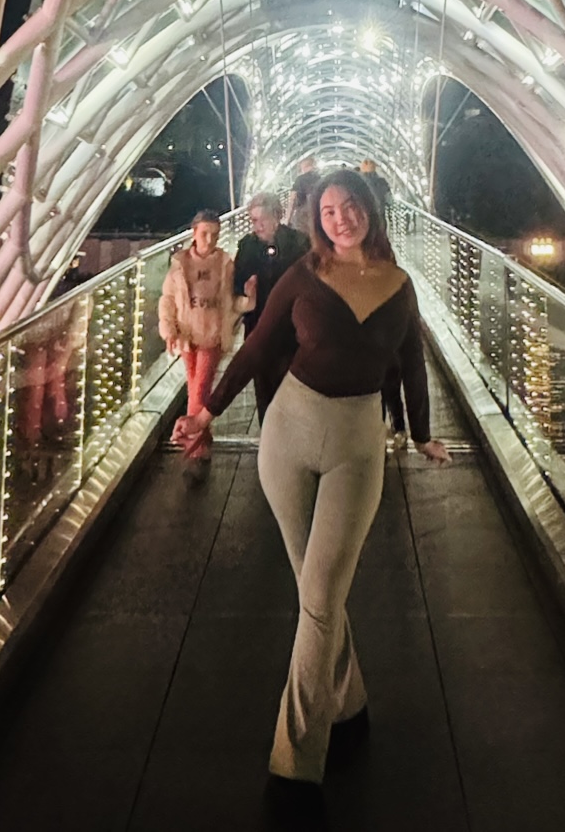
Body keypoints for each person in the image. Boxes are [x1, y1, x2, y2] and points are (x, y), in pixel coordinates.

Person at [177, 169, 450, 791]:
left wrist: (420, 433)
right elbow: (255, 349)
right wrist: (205, 414)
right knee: (317, 593)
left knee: (321, 595)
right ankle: (348, 707)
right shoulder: (304, 276)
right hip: (289, 435)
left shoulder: (399, 285)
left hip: (358, 443)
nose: (340, 218)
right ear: (316, 220)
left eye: (350, 206)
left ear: (370, 210)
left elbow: (411, 360)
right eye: (328, 210)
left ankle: (295, 761)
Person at [159, 210, 255, 477]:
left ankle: (194, 452)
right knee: (195, 389)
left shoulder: (224, 263)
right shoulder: (180, 263)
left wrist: (249, 300)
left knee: (200, 390)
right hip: (187, 335)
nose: (210, 240)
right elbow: (168, 298)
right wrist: (169, 330)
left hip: (212, 335)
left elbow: (230, 301)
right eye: (204, 234)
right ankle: (204, 440)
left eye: (214, 234)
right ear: (194, 233)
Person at [233, 191, 310, 423]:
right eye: (253, 220)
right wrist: (245, 292)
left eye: (261, 220)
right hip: (259, 328)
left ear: (276, 216)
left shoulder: (299, 244)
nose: (256, 226)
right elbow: (235, 285)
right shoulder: (247, 247)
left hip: (291, 331)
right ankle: (268, 434)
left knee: (292, 390)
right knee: (263, 388)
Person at [284, 156, 320, 235]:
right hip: (317, 215)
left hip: (303, 218)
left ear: (303, 167)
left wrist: (287, 220)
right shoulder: (320, 179)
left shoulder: (300, 180)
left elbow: (292, 200)